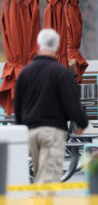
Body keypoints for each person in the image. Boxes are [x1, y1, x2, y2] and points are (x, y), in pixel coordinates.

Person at [14, 29, 88, 183]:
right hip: (53, 130)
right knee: (49, 174)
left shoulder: (25, 73)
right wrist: (81, 123)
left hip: (30, 131)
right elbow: (71, 102)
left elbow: (18, 104)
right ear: (57, 47)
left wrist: (21, 127)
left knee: (39, 171)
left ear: (39, 45)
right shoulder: (61, 72)